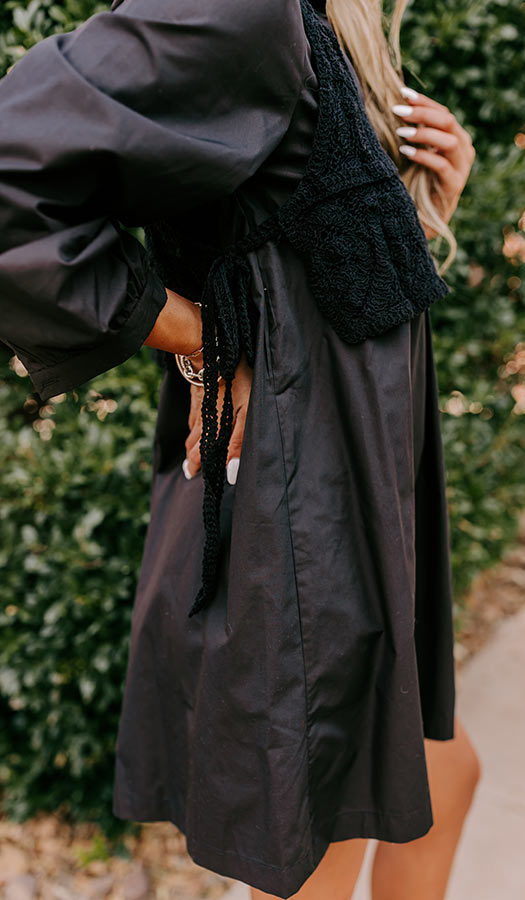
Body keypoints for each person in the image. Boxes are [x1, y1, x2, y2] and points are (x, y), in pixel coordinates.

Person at [0, 1, 480, 898]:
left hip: (356, 476)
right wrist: (194, 336)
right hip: (300, 487)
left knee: (441, 779)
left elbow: (300, 257)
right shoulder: (242, 7)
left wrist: (418, 208)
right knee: (324, 843)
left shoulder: (327, 22)